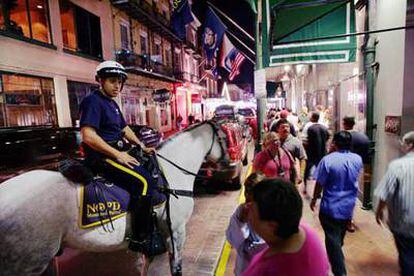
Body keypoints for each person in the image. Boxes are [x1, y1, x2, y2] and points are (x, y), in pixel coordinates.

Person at [79, 60, 157, 255]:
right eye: (112, 81)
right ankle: (140, 239)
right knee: (144, 182)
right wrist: (118, 155)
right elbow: (88, 136)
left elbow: (124, 129)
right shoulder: (92, 101)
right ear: (100, 81)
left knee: (151, 167)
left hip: (117, 153)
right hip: (101, 158)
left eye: (119, 82)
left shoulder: (111, 103)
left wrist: (141, 146)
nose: (117, 86)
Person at [243, 178, 329, 276]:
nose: (247, 207)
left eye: (252, 209)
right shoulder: (305, 231)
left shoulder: (267, 270)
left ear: (272, 227)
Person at [311, 131, 363, 276]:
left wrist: (315, 198)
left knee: (332, 241)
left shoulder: (327, 160)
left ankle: (340, 272)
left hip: (330, 208)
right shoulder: (357, 159)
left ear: (334, 143)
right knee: (337, 239)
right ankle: (336, 258)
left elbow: (319, 183)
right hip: (348, 208)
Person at [375, 131, 414, 276]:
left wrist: (379, 211)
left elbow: (385, 193)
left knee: (408, 257)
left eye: (403, 143)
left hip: (405, 222)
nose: (401, 145)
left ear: (409, 145)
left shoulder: (397, 166)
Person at [226, 172, 267, 276]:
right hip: (244, 269)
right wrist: (241, 221)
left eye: (251, 192)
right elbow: (232, 239)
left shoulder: (272, 212)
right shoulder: (241, 211)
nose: (247, 196)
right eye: (246, 191)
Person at [343, 116, 371, 232]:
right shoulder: (363, 138)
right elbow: (367, 159)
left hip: (341, 170)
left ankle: (345, 220)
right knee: (350, 196)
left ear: (344, 124)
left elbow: (333, 152)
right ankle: (348, 220)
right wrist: (367, 176)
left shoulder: (342, 137)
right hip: (355, 172)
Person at [271, 118, 306, 185]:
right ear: (278, 129)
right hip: (274, 177)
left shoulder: (296, 142)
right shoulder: (273, 141)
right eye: (283, 127)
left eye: (287, 127)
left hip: (290, 177)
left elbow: (303, 158)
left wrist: (301, 175)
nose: (285, 129)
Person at [302, 112, 330, 194]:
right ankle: (321, 190)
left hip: (311, 153)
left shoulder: (310, 127)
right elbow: (328, 137)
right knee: (322, 173)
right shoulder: (324, 127)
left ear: (313, 118)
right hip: (322, 153)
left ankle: (305, 187)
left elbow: (306, 140)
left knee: (307, 170)